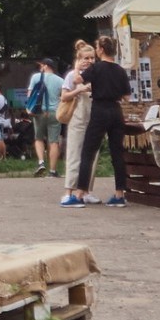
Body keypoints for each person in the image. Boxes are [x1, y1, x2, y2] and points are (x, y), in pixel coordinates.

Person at [66, 39, 131, 208]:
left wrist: (76, 65)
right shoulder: (120, 70)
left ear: (101, 50)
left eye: (96, 48)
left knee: (88, 151)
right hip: (116, 111)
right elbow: (126, 97)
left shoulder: (96, 68)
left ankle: (79, 194)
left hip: (100, 110)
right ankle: (119, 194)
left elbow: (77, 80)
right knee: (117, 153)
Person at [61, 42, 96, 201]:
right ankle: (69, 192)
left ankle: (86, 191)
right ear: (79, 59)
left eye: (92, 58)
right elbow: (64, 97)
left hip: (94, 119)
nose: (89, 61)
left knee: (92, 157)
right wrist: (79, 89)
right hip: (77, 119)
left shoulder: (97, 74)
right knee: (74, 154)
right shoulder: (71, 76)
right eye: (86, 58)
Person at [25, 58, 64, 176]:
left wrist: (28, 108)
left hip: (39, 112)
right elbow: (64, 98)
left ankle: (41, 162)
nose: (40, 68)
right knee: (54, 142)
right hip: (54, 113)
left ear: (46, 66)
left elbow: (29, 95)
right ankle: (52, 171)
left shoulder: (36, 77)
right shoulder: (61, 80)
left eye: (41, 65)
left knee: (39, 139)